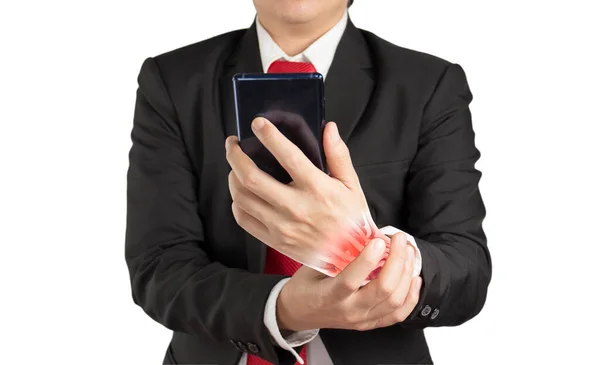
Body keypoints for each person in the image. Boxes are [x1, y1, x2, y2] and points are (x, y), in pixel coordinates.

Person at [125, 0, 492, 364]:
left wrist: (363, 245)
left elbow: (467, 271)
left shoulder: (427, 84)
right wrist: (285, 309)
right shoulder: (173, 80)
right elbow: (159, 267)